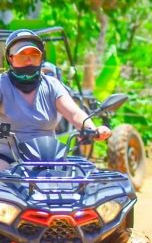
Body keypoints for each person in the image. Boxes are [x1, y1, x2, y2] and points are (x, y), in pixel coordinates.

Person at [0, 29, 110, 169]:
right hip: (7, 158)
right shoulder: (2, 84)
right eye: (22, 54)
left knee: (78, 183)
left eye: (34, 54)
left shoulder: (52, 85)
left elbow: (74, 113)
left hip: (47, 158)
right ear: (10, 58)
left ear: (41, 57)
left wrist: (92, 129)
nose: (29, 59)